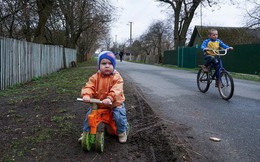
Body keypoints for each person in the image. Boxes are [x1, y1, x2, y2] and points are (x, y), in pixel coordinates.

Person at [79, 51, 128, 143]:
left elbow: (117, 89)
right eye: (103, 63)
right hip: (100, 104)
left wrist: (110, 98)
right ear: (99, 65)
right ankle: (86, 133)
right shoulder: (95, 77)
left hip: (114, 103)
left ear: (113, 65)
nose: (107, 66)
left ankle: (122, 132)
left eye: (110, 63)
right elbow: (89, 86)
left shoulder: (117, 78)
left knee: (119, 116)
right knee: (90, 116)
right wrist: (86, 95)